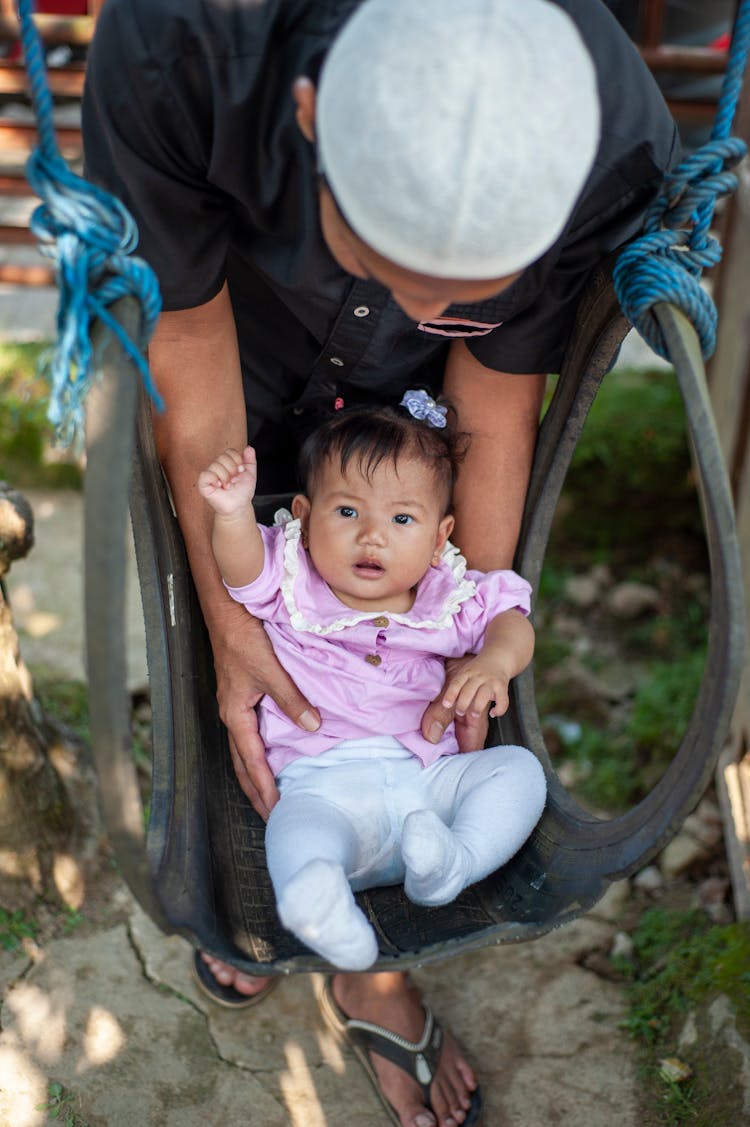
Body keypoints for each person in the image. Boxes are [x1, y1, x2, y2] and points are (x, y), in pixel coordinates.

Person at [83, 0, 679, 1124]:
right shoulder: (186, 43)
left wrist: (463, 629)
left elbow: (490, 410)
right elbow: (186, 332)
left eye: (466, 300)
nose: (428, 312)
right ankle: (270, 879)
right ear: (308, 117)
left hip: (425, 445)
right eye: (395, 268)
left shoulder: (607, 135)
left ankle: (368, 959)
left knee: (457, 758)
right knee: (233, 641)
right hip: (235, 363)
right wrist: (233, 629)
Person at [198, 395, 547, 970]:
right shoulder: (292, 584)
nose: (372, 537)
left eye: (402, 519)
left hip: (429, 790)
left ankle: (453, 864)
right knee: (295, 830)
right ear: (305, 519)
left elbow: (512, 621)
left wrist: (496, 663)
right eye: (347, 513)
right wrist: (232, 512)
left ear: (440, 538)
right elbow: (240, 569)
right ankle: (321, 905)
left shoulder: (449, 597)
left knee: (517, 773)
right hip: (324, 788)